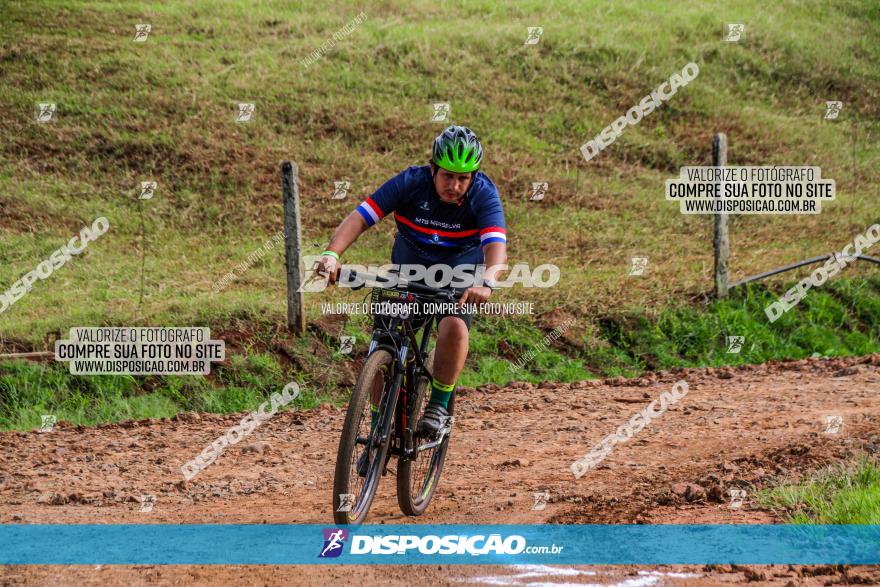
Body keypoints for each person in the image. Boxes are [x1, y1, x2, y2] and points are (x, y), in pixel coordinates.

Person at [315, 125, 508, 456]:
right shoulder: (410, 182)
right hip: (408, 273)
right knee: (383, 342)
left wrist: (487, 281)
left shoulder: (483, 194)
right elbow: (360, 218)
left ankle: (438, 404)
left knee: (453, 324)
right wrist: (332, 255)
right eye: (448, 176)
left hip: (460, 277)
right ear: (432, 168)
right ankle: (378, 427)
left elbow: (496, 245)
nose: (455, 185)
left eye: (464, 178)